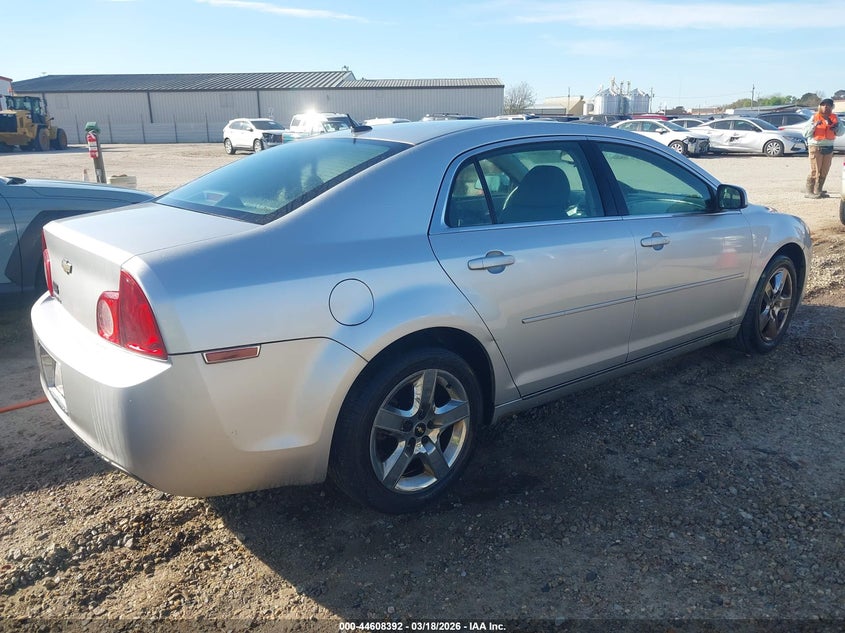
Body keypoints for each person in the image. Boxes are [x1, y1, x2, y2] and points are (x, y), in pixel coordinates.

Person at [803, 98, 844, 198]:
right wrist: (814, 126)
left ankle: (818, 190)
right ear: (820, 106)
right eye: (824, 105)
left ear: (831, 107)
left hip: (829, 147)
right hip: (816, 147)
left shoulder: (835, 118)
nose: (826, 107)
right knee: (815, 170)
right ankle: (809, 191)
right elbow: (805, 133)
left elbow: (841, 132)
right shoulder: (814, 118)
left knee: (824, 170)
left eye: (828, 105)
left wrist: (836, 128)